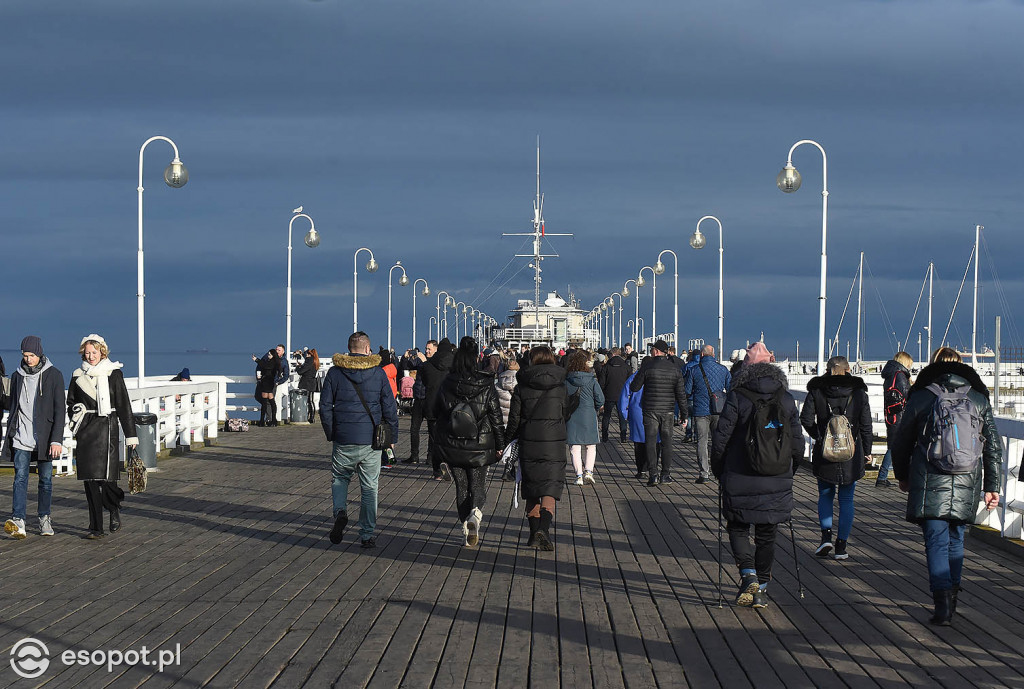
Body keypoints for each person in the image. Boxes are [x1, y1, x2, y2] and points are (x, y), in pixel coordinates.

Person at [890, 347, 1001, 625]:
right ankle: (952, 598)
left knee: (936, 542)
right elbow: (994, 447)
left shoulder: (922, 395)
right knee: (956, 540)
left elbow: (902, 441)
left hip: (929, 479)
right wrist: (993, 486)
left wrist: (902, 476)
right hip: (967, 478)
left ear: (934, 365)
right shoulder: (978, 398)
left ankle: (941, 605)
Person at [711, 342, 804, 609]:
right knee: (767, 533)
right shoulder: (785, 398)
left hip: (739, 472)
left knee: (738, 527)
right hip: (777, 474)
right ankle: (761, 587)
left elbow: (721, 439)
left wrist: (720, 470)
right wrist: (790, 470)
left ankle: (748, 574)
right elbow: (797, 443)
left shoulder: (738, 396)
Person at [319, 332, 399, 550]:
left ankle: (340, 512)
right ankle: (366, 534)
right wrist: (392, 437)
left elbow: (325, 406)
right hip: (371, 440)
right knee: (369, 487)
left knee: (340, 478)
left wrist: (331, 432)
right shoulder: (378, 374)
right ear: (367, 349)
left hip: (344, 437)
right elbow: (389, 408)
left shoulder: (335, 373)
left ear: (349, 348)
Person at [432, 337, 506, 547]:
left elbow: (436, 412)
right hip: (480, 445)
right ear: (476, 360)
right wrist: (501, 445)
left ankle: (466, 526)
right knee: (478, 485)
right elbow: (496, 417)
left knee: (461, 487)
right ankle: (475, 515)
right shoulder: (485, 383)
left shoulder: (447, 383)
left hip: (453, 444)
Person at [800, 355, 872, 561]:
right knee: (847, 498)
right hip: (852, 451)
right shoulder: (858, 392)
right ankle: (842, 547)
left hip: (825, 451)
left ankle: (825, 538)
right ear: (848, 370)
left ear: (829, 370)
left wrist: (820, 436)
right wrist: (866, 449)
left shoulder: (817, 389)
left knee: (825, 494)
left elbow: (805, 418)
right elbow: (866, 424)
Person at [67, 335, 139, 539]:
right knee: (90, 481)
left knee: (108, 481)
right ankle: (95, 528)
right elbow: (70, 401)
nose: (90, 357)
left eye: (94, 353)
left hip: (108, 429)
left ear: (102, 352)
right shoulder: (76, 375)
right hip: (86, 431)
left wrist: (131, 436)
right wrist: (76, 409)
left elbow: (124, 405)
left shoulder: (114, 374)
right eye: (87, 353)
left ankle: (114, 508)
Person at [505, 346, 575, 550]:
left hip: (529, 440)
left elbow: (514, 419)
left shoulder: (522, 386)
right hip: (554, 441)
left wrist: (506, 441)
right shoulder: (561, 386)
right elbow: (565, 414)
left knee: (532, 488)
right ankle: (543, 529)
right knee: (549, 488)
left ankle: (534, 531)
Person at [2, 337, 65, 539]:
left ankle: (44, 517)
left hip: (45, 438)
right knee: (20, 478)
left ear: (39, 354)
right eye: (25, 355)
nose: (28, 359)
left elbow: (60, 410)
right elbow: (12, 407)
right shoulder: (16, 376)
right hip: (22, 437)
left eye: (32, 355)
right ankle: (18, 519)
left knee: (45, 480)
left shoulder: (54, 375)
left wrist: (57, 440)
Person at [628, 340, 688, 486]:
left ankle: (653, 474)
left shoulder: (647, 367)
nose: (650, 351)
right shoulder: (675, 369)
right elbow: (681, 394)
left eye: (652, 349)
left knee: (650, 441)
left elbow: (635, 387)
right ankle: (665, 475)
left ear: (656, 351)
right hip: (667, 410)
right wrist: (684, 415)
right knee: (667, 443)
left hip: (650, 409)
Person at [686, 344, 732, 484]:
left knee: (702, 441)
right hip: (719, 410)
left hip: (700, 411)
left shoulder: (694, 370)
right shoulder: (723, 369)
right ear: (713, 355)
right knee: (719, 441)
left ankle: (704, 473)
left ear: (701, 355)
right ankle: (721, 469)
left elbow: (687, 391)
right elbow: (730, 389)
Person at [565, 350, 605, 485]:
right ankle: (589, 471)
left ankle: (578, 475)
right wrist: (596, 407)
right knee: (590, 445)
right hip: (589, 414)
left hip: (572, 415)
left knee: (574, 447)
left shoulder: (567, 380)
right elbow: (600, 398)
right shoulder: (591, 379)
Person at [419, 338, 456, 480]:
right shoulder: (454, 366)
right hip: (449, 407)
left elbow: (425, 381)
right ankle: (449, 463)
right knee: (449, 438)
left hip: (432, 406)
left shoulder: (428, 365)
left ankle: (437, 471)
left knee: (434, 439)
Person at [877, 351, 913, 488]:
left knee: (892, 445)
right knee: (894, 446)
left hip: (892, 414)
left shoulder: (890, 375)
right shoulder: (900, 376)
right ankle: (882, 476)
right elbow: (907, 395)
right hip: (900, 415)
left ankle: (883, 476)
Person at [619, 369, 660, 480]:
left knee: (639, 442)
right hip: (656, 411)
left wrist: (624, 413)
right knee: (655, 441)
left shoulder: (634, 377)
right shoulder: (658, 375)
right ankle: (653, 467)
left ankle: (641, 470)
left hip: (637, 411)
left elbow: (624, 395)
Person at [400, 341, 436, 464]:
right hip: (418, 399)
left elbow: (432, 375)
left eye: (429, 349)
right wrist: (406, 358)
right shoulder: (421, 360)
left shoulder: (436, 362)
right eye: (426, 348)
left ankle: (430, 457)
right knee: (414, 428)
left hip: (429, 399)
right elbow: (409, 366)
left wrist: (425, 361)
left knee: (432, 430)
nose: (427, 351)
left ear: (435, 349)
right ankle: (414, 456)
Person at [597, 347, 630, 443]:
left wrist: (601, 394)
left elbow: (601, 383)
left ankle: (604, 436)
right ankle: (623, 436)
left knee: (606, 416)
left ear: (612, 354)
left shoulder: (606, 367)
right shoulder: (626, 367)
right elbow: (629, 382)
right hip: (622, 395)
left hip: (609, 395)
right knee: (622, 416)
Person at [252, 348, 280, 426]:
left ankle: (262, 421)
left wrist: (256, 360)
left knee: (265, 402)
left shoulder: (272, 363)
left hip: (266, 382)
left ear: (273, 355)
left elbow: (265, 366)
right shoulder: (277, 363)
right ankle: (274, 420)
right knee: (271, 401)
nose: (268, 356)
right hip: (270, 383)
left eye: (269, 354)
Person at [295, 348, 320, 423]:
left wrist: (298, 366)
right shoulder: (315, 361)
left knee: (306, 401)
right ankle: (311, 417)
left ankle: (308, 416)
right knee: (311, 400)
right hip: (312, 383)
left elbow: (301, 371)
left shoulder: (309, 361)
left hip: (306, 383)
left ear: (309, 354)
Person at [274, 344, 291, 423]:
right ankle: (270, 418)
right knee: (263, 399)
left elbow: (286, 375)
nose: (277, 351)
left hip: (275, 383)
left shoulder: (284, 361)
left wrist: (279, 382)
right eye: (276, 349)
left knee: (272, 401)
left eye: (279, 350)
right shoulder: (271, 357)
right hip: (268, 382)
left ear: (283, 351)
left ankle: (273, 419)